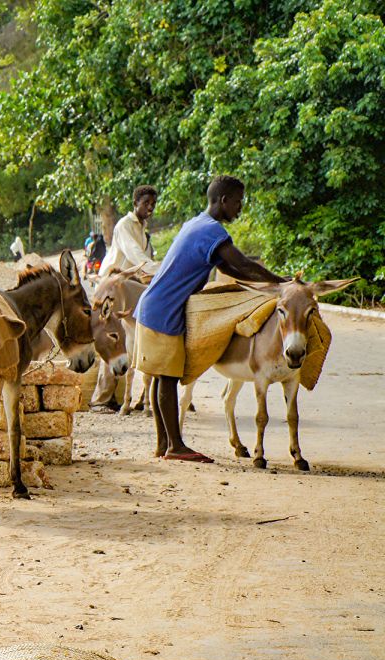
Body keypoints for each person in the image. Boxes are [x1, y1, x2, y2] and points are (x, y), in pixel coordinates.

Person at [133, 175, 285, 462]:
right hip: (163, 311)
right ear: (223, 200)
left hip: (154, 307)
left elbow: (234, 270)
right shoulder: (212, 231)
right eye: (238, 201)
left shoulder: (197, 224)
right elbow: (241, 262)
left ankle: (163, 444)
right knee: (167, 378)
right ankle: (175, 447)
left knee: (160, 378)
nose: (240, 208)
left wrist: (266, 285)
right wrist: (280, 282)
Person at [99, 186, 157, 278]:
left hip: (128, 282)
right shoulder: (124, 225)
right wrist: (159, 269)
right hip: (110, 282)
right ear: (135, 204)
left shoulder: (142, 227)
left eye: (153, 204)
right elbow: (135, 254)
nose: (150, 207)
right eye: (146, 203)